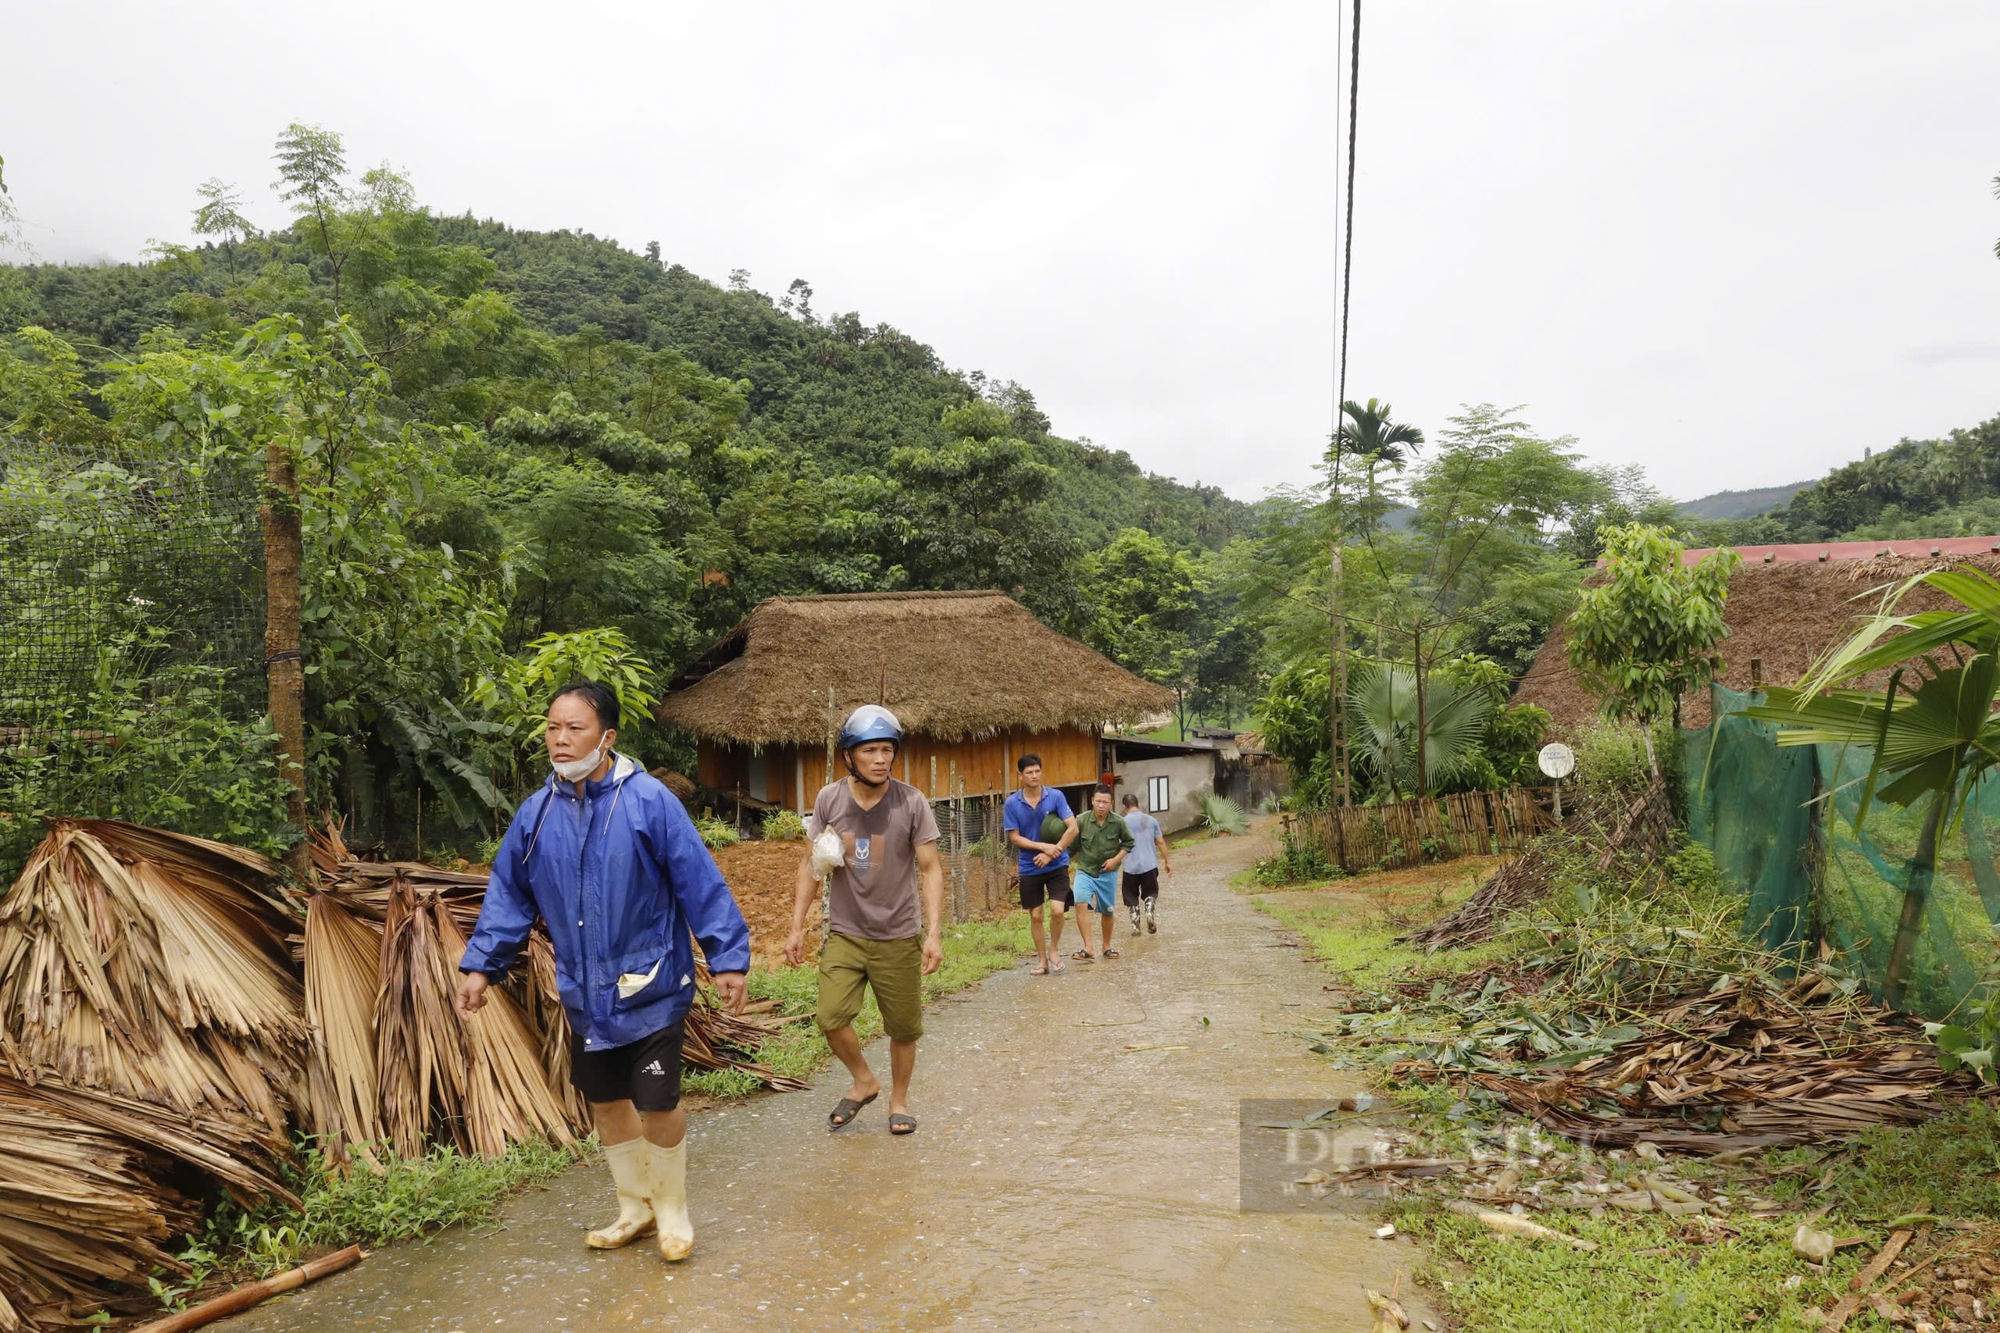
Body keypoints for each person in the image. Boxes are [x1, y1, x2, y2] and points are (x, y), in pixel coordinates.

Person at [456, 680, 750, 1264]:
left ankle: (672, 1213)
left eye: (575, 729)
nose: (560, 741)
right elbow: (509, 895)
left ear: (607, 737)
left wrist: (728, 958)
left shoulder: (647, 801)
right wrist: (481, 967)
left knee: (658, 1102)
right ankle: (634, 1208)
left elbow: (699, 880)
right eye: (552, 728)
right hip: (584, 993)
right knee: (607, 1101)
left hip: (652, 985)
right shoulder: (536, 814)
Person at [784, 705, 944, 1136]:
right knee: (830, 1016)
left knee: (904, 1028)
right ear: (849, 756)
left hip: (899, 934)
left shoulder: (912, 801)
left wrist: (933, 933)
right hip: (846, 934)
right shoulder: (829, 800)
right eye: (870, 750)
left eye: (887, 750)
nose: (880, 759)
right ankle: (864, 1080)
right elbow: (810, 864)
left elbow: (930, 868)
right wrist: (797, 926)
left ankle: (899, 1100)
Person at [1002, 753, 1079, 975]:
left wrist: (1053, 852)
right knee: (1035, 915)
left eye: (1037, 771)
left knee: (1057, 910)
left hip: (1057, 864)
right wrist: (1042, 847)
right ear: (1020, 775)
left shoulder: (1056, 797)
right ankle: (1042, 960)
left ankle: (1054, 950)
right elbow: (1014, 837)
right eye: (1029, 772)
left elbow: (1072, 828)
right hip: (1029, 866)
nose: (1034, 776)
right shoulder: (1012, 803)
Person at [1069, 783, 1135, 960]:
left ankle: (1106, 946)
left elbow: (1129, 843)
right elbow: (1071, 847)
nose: (1101, 805)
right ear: (1092, 801)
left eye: (1105, 802)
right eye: (1098, 801)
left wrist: (1115, 860)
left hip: (1108, 874)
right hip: (1085, 871)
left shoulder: (1118, 822)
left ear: (1111, 803)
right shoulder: (1081, 820)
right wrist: (1060, 866)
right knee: (1080, 902)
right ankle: (1088, 947)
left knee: (1108, 910)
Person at [1120, 792, 1172, 934]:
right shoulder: (1151, 820)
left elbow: (1116, 845)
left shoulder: (1122, 822)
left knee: (1131, 897)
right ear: (1139, 805)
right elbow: (1160, 841)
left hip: (1130, 867)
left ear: (1125, 807)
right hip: (1149, 865)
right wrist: (1167, 862)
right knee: (1150, 892)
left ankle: (1136, 927)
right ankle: (1149, 912)